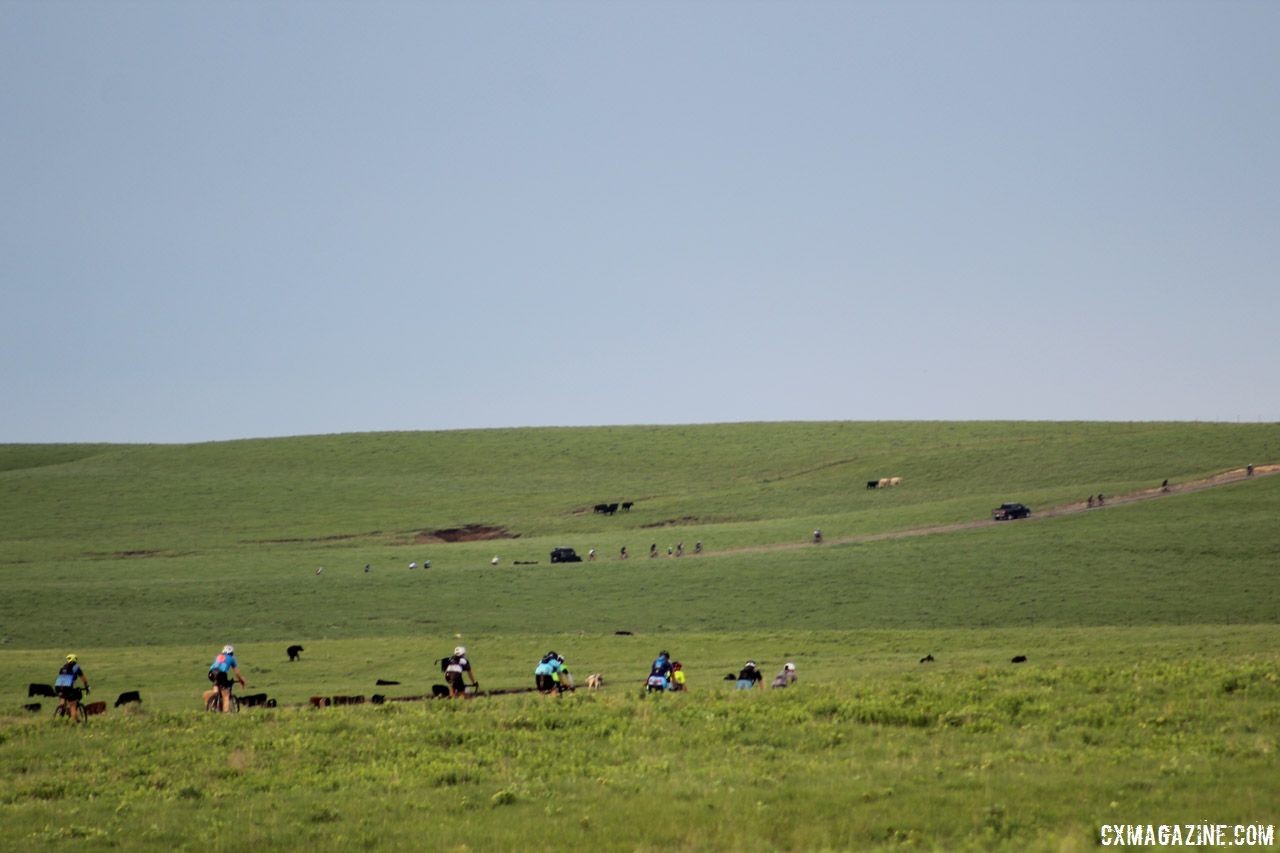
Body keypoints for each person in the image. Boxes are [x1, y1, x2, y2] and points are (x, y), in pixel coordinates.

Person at [206, 644, 246, 713]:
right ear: (232, 653)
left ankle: (214, 702)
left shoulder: (218, 656)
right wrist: (241, 680)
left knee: (217, 686)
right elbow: (237, 673)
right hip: (221, 674)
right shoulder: (232, 659)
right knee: (226, 695)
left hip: (211, 673)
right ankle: (226, 713)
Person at [54, 654, 90, 721]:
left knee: (63, 699)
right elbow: (83, 679)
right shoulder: (76, 667)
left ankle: (61, 711)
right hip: (67, 687)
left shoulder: (63, 667)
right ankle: (75, 722)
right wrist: (87, 687)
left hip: (58, 686)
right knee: (73, 705)